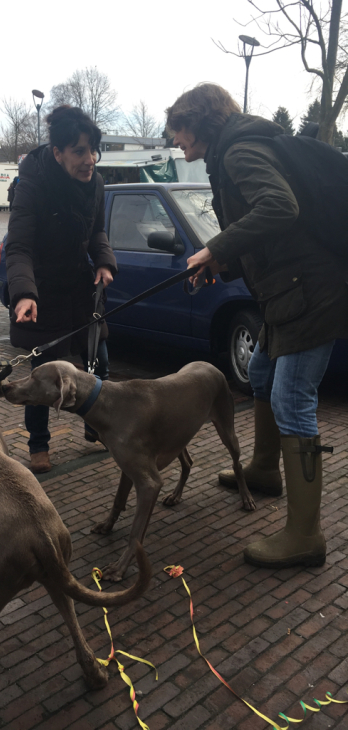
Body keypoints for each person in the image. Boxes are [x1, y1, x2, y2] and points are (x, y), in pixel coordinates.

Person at [166, 83, 348, 569]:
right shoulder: (237, 149)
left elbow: (279, 207)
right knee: (263, 372)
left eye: (178, 131)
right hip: (287, 290)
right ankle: (266, 468)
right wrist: (221, 265)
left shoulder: (239, 152)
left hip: (311, 293)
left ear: (198, 122)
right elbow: (271, 231)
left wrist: (216, 248)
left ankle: (305, 536)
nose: (176, 141)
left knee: (292, 398)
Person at [6, 105, 118, 474]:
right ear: (58, 153)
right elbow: (18, 247)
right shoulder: (32, 186)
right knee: (43, 376)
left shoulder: (97, 183)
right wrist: (24, 292)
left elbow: (97, 231)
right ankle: (38, 445)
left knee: (98, 362)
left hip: (80, 291)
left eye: (93, 150)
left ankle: (95, 423)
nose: (90, 160)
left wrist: (103, 260)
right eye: (80, 151)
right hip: (44, 292)